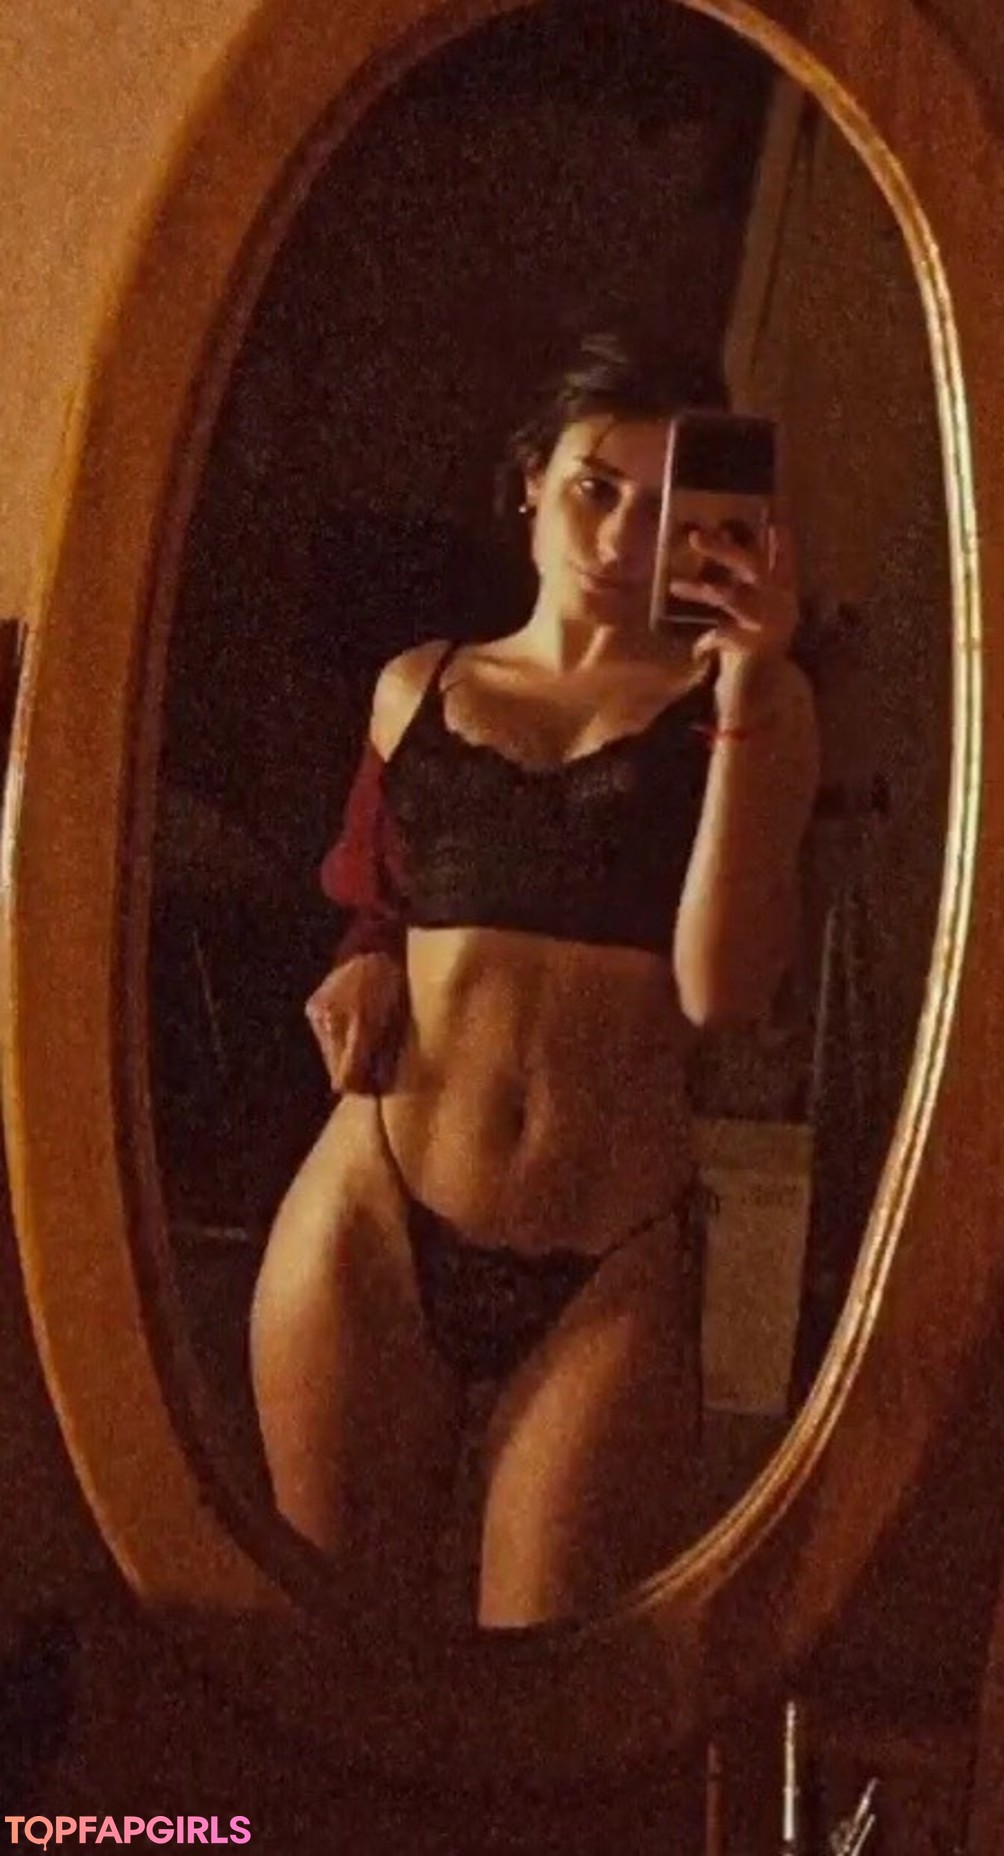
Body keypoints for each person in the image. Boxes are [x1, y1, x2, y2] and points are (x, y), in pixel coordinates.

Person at [248, 330, 819, 1630]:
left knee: (547, 1671)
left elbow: (725, 992)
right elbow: (383, 895)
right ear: (529, 483)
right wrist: (366, 962)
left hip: (607, 1257)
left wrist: (748, 684)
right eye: (593, 488)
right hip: (374, 1214)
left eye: (662, 505)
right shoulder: (416, 685)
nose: (619, 536)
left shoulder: (749, 706)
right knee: (334, 1650)